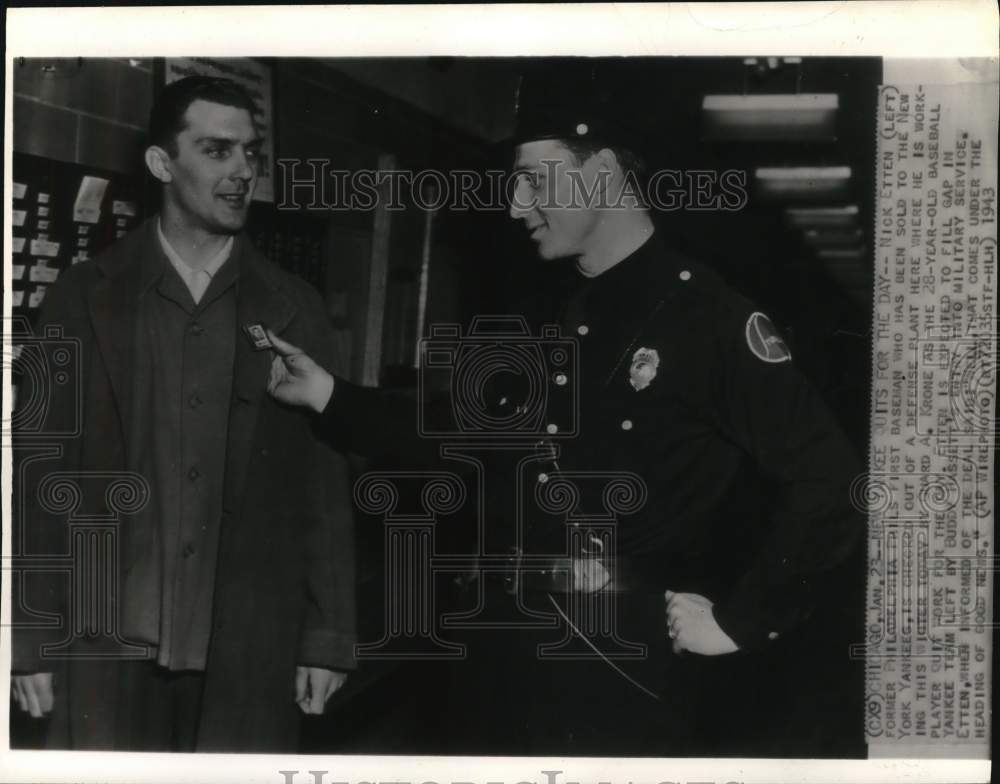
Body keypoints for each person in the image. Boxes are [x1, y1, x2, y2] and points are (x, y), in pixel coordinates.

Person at [266, 64, 865, 756]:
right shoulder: (539, 310)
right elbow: (461, 439)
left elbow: (833, 484)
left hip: (616, 669)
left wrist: (740, 620)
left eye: (533, 180)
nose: (515, 206)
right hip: (494, 655)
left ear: (602, 173)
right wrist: (327, 393)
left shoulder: (710, 321)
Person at [10, 76, 356, 752]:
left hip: (249, 643)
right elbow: (37, 476)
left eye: (250, 153)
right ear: (161, 164)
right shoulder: (81, 297)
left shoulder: (296, 307)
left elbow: (322, 484)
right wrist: (27, 638)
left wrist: (327, 636)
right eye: (217, 150)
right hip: (103, 643)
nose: (243, 171)